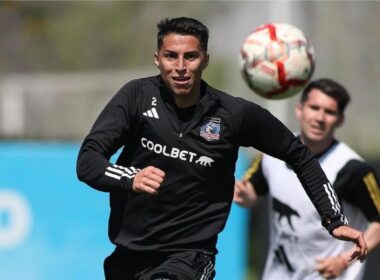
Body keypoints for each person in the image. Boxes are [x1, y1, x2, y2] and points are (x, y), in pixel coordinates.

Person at [76, 17, 367, 280]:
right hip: (128, 255)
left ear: (205, 60)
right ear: (157, 59)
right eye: (171, 56)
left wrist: (333, 219)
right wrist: (131, 178)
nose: (180, 67)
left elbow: (298, 154)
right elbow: (88, 161)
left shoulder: (233, 114)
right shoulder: (136, 97)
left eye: (190, 56)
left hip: (189, 256)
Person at [234, 78, 380, 280]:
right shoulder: (272, 153)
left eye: (329, 112)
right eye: (314, 108)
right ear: (299, 110)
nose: (320, 118)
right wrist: (243, 195)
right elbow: (250, 195)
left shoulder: (353, 168)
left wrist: (344, 261)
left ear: (340, 120)